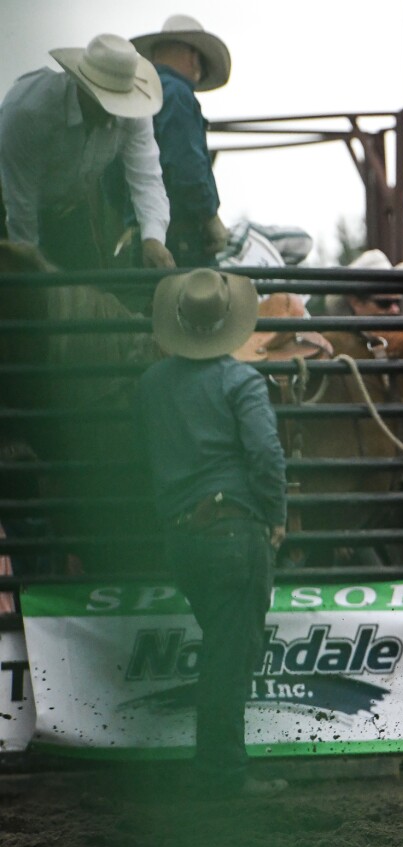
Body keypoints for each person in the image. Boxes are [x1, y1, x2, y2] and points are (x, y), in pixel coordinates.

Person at [136, 269, 288, 797]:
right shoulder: (240, 381)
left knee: (221, 650)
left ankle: (217, 768)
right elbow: (266, 454)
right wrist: (276, 515)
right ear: (228, 322)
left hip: (181, 539)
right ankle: (222, 775)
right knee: (230, 656)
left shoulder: (152, 385)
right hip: (233, 532)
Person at [0, 34, 174, 271]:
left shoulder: (134, 115)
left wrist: (153, 238)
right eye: (109, 101)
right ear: (83, 87)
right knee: (19, 296)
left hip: (70, 213)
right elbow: (19, 204)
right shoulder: (27, 111)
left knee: (90, 288)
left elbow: (147, 178)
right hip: (7, 208)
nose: (116, 112)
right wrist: (30, 263)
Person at [128, 15, 234, 267]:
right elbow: (187, 166)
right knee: (201, 299)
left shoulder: (141, 95)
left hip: (142, 232)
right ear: (193, 57)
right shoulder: (177, 93)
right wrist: (209, 217)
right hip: (180, 236)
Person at [324, 247, 403, 316]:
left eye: (398, 302)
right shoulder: (339, 339)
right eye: (384, 304)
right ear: (356, 303)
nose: (395, 310)